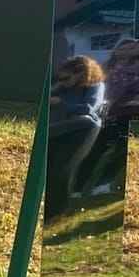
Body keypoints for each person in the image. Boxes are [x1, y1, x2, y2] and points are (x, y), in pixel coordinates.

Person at [44, 56, 107, 216]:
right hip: (57, 130)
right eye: (60, 79)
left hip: (83, 129)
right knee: (48, 169)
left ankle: (59, 212)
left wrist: (61, 103)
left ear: (82, 74)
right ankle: (49, 209)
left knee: (63, 169)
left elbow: (89, 108)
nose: (63, 82)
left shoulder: (95, 86)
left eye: (66, 78)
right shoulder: (60, 89)